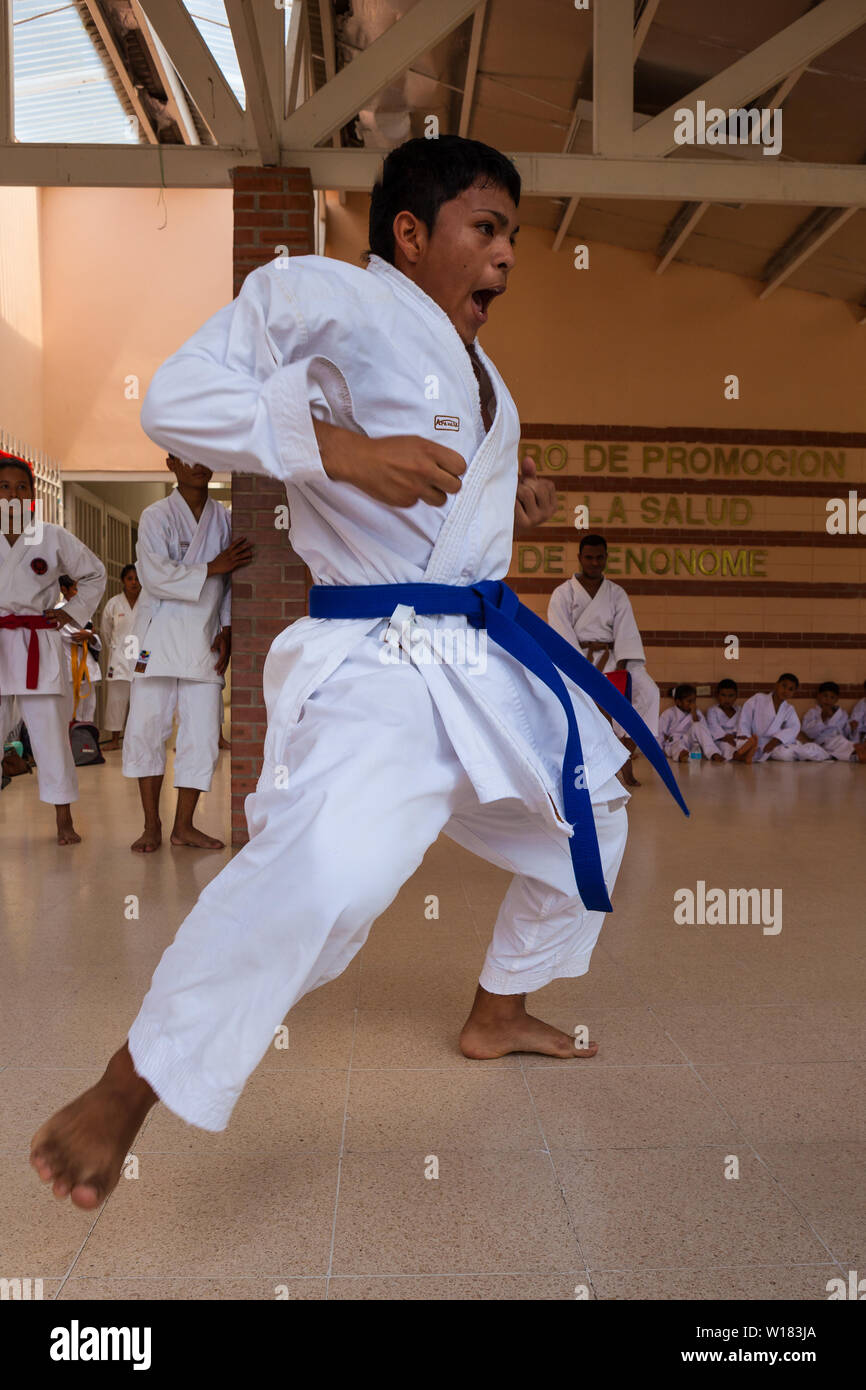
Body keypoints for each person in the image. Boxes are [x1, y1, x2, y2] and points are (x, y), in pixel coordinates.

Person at [30, 135, 685, 1210]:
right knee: (334, 867)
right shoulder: (324, 295)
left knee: (592, 819)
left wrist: (501, 497)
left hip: (477, 658)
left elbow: (439, 481)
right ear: (410, 233)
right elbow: (180, 400)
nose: (508, 256)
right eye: (486, 229)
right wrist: (334, 451)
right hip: (380, 658)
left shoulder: (480, 373)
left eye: (514, 236)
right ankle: (134, 1078)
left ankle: (495, 1009)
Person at [122, 455, 251, 852]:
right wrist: (211, 566)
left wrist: (227, 627)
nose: (199, 463)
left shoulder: (225, 519)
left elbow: (232, 581)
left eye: (205, 454)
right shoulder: (156, 515)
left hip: (203, 636)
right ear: (171, 463)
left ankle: (184, 826)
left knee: (203, 734)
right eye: (188, 455)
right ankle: (150, 826)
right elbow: (154, 576)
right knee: (147, 728)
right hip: (154, 639)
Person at [0, 452, 105, 843]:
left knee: (49, 733)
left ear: (32, 493)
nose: (13, 493)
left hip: (37, 642)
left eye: (21, 486)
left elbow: (95, 573)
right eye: (5, 487)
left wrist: (70, 612)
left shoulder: (51, 536)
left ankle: (64, 819)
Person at [547, 535, 660, 786]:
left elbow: (626, 632)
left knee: (649, 692)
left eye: (599, 557)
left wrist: (621, 668)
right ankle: (581, 762)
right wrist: (582, 668)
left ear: (606, 558)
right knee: (564, 700)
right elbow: (560, 633)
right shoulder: (562, 593)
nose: (594, 562)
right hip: (575, 660)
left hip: (613, 659)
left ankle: (623, 751)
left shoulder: (616, 594)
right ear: (579, 558)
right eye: (589, 557)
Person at [734, 673, 829, 762]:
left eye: (790, 689)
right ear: (776, 685)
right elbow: (745, 717)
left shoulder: (789, 709)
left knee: (784, 754)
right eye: (784, 686)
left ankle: (745, 754)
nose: (786, 691)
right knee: (741, 743)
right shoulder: (758, 698)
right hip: (754, 740)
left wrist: (775, 741)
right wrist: (744, 733)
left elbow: (794, 727)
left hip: (774, 744)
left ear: (793, 693)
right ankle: (746, 751)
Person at [101, 563, 141, 749]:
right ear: (123, 581)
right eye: (130, 579)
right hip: (119, 656)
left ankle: (139, 739)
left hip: (143, 656)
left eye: (137, 578)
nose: (134, 582)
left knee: (142, 698)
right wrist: (117, 649)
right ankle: (115, 739)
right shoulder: (114, 603)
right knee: (116, 699)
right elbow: (106, 632)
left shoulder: (148, 602)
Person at [58, 575, 103, 724]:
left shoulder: (83, 610)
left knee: (89, 710)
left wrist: (89, 635)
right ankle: (72, 746)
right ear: (64, 589)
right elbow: (72, 636)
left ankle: (86, 744)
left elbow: (96, 641)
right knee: (73, 712)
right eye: (75, 589)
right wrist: (89, 634)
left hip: (88, 666)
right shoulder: (59, 609)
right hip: (72, 667)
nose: (78, 593)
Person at [801, 681, 866, 763]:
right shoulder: (813, 712)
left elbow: (846, 732)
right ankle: (858, 753)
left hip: (840, 740)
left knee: (843, 743)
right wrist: (822, 718)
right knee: (842, 744)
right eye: (825, 696)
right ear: (818, 696)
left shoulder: (842, 713)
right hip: (824, 742)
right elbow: (809, 732)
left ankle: (857, 754)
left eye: (832, 697)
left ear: (837, 699)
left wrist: (852, 728)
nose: (828, 700)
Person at [658, 684, 723, 762]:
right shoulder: (669, 713)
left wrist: (694, 714)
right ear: (678, 702)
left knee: (698, 726)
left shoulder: (697, 712)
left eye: (694, 701)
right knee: (678, 747)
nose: (692, 704)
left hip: (691, 742)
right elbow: (660, 732)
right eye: (689, 701)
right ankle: (684, 756)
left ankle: (713, 753)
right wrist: (660, 749)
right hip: (675, 741)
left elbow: (704, 731)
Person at [705, 678, 742, 761]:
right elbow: (714, 728)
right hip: (721, 740)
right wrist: (726, 737)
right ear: (717, 695)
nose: (727, 699)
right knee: (726, 747)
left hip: (736, 738)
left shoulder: (740, 710)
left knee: (743, 743)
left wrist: (735, 737)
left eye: (731, 696)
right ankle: (741, 756)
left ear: (736, 696)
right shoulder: (712, 710)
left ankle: (744, 752)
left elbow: (742, 727)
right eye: (723, 695)